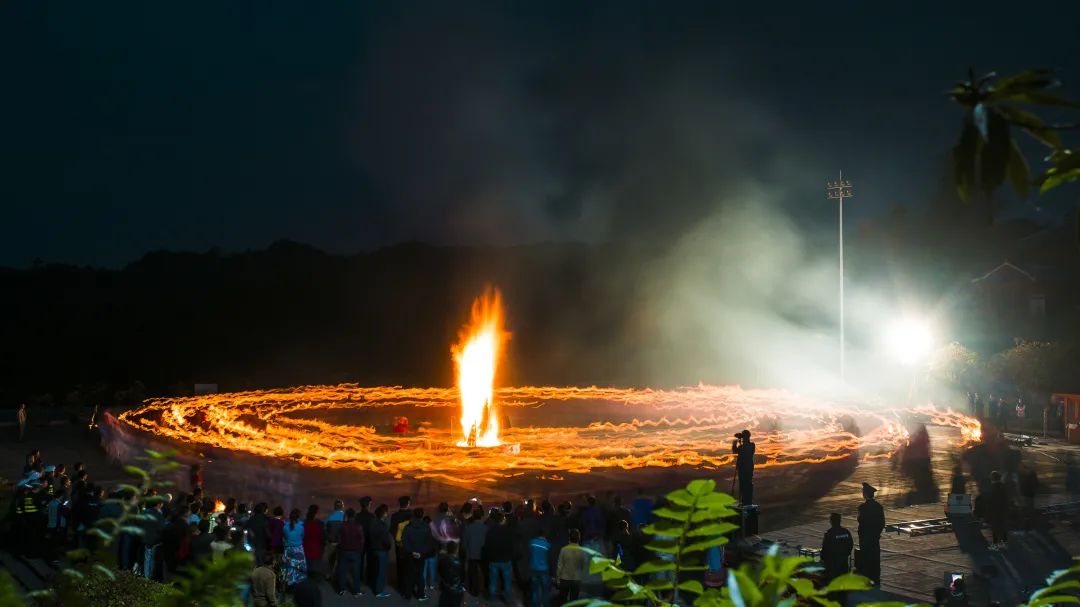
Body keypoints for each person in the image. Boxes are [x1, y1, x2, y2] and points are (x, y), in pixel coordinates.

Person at [403, 507, 436, 601]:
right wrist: (421, 553)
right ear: (422, 515)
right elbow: (429, 542)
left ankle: (408, 595)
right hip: (421, 555)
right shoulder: (426, 527)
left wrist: (412, 551)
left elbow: (404, 540)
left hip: (410, 554)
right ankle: (420, 595)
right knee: (420, 574)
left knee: (409, 574)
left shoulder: (408, 527)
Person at [856, 482, 885, 585]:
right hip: (874, 538)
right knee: (875, 558)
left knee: (866, 559)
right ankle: (876, 578)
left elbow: (860, 520)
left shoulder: (862, 508)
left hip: (865, 539)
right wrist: (876, 534)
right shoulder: (878, 507)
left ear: (865, 494)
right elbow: (882, 523)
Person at [486, 511, 515, 604]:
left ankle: (492, 598)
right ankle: (508, 599)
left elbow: (487, 546)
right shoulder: (509, 531)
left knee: (493, 581)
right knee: (507, 581)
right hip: (506, 559)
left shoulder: (490, 531)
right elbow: (512, 545)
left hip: (494, 559)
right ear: (503, 520)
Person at [337, 510, 366, 597]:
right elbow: (362, 540)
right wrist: (360, 549)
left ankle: (341, 589)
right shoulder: (358, 526)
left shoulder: (342, 526)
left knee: (343, 571)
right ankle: (356, 591)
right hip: (355, 552)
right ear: (354, 516)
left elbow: (339, 538)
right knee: (356, 572)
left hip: (344, 551)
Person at [461, 509, 487, 605]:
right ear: (481, 517)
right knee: (483, 572)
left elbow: (464, 543)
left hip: (471, 554)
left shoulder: (468, 527)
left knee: (472, 572)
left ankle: (473, 589)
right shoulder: (485, 528)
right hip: (483, 554)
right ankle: (483, 588)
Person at [556, 529, 588, 604]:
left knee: (563, 601)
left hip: (565, 578)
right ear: (579, 538)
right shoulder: (582, 550)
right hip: (577, 579)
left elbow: (559, 566)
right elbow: (584, 566)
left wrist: (558, 580)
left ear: (569, 538)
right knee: (574, 601)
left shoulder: (563, 550)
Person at [820, 513, 853, 582]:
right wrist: (846, 554)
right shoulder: (846, 532)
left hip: (832, 563)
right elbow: (850, 544)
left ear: (831, 521)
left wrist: (822, 558)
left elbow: (825, 548)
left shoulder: (829, 533)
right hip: (843, 561)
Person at [390, 496, 413, 596]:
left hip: (398, 544)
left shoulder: (394, 516)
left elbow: (392, 530)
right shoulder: (411, 515)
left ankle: (400, 585)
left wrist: (397, 540)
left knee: (400, 565)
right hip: (409, 545)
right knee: (409, 567)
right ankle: (407, 587)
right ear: (408, 504)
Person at [370, 504, 394, 598]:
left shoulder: (373, 523)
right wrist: (388, 547)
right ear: (383, 514)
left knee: (376, 570)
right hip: (382, 551)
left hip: (374, 549)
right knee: (381, 571)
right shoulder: (382, 526)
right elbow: (386, 541)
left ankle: (375, 587)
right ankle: (379, 591)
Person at [985, 471, 1011, 550]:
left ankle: (996, 543)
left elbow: (989, 501)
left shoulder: (991, 487)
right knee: (1003, 526)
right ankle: (1004, 542)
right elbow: (1007, 498)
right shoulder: (1003, 486)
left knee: (995, 528)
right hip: (1003, 510)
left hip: (994, 510)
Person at [282, 509, 307, 588]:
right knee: (299, 568)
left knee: (289, 568)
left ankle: (289, 584)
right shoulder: (301, 527)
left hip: (288, 549)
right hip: (298, 549)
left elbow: (284, 538)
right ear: (298, 517)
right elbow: (302, 537)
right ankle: (299, 585)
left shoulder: (285, 526)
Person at [438, 540, 465, 607]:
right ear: (456, 550)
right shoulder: (459, 562)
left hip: (445, 587)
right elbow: (462, 576)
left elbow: (440, 572)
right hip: (456, 589)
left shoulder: (442, 560)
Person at [732, 430, 756, 505]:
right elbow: (737, 451)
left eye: (743, 437)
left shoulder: (749, 445)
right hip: (746, 468)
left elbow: (735, 451)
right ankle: (745, 500)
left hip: (745, 468)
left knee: (745, 484)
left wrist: (734, 444)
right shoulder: (748, 445)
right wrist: (739, 443)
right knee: (744, 484)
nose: (743, 439)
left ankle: (746, 501)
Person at [324, 499, 346, 580]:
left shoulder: (329, 517)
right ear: (342, 507)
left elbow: (325, 529)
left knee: (331, 560)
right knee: (341, 561)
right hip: (342, 542)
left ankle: (329, 575)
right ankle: (339, 576)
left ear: (334, 507)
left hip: (331, 542)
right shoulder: (344, 517)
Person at [529, 529, 551, 607]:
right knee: (545, 590)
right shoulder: (547, 544)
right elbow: (549, 557)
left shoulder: (532, 542)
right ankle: (545, 605)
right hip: (544, 569)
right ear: (545, 535)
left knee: (534, 589)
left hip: (533, 568)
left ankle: (534, 605)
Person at [303, 505, 325, 569]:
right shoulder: (320, 524)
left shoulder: (303, 523)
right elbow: (323, 539)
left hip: (305, 551)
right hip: (316, 552)